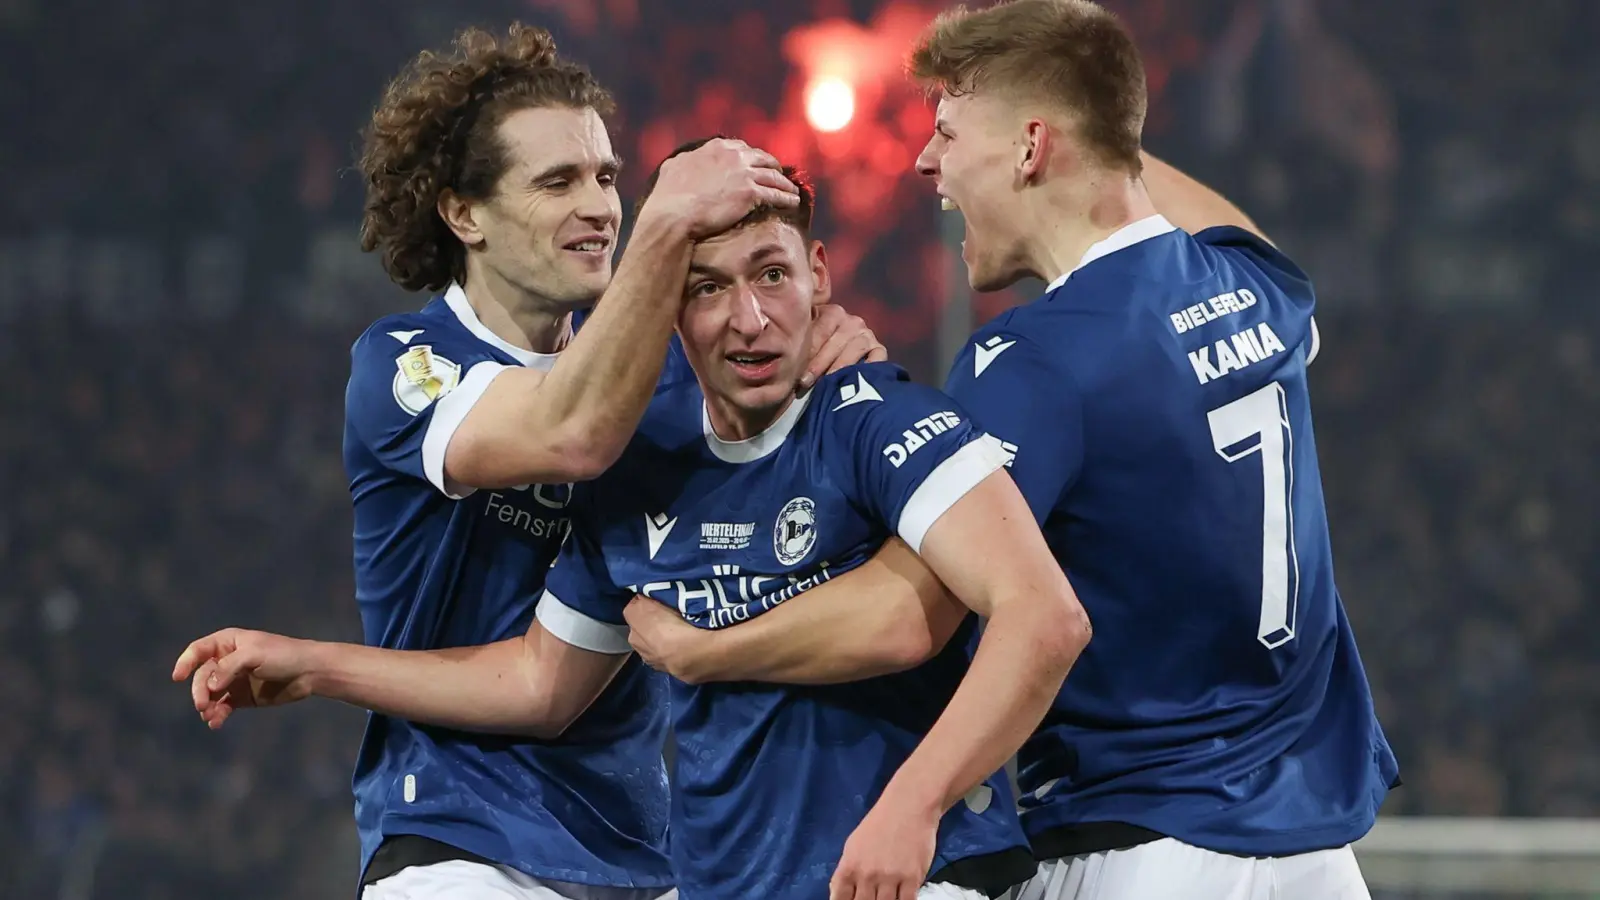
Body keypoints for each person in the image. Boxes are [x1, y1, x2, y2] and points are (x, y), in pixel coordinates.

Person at [621, 2, 1397, 898]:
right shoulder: (1255, 288)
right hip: (1319, 858)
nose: (926, 162)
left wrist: (705, 650)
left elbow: (909, 611)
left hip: (1143, 842)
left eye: (948, 131)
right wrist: (1102, 121)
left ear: (1032, 148)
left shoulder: (1035, 361)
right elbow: (1200, 214)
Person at [175, 142, 1092, 900]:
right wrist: (316, 664)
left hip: (912, 878)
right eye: (705, 289)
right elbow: (540, 684)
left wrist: (911, 807)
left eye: (774, 276)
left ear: (818, 278)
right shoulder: (637, 468)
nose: (750, 319)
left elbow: (1029, 616)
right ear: (667, 313)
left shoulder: (873, 418)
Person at [172, 25, 883, 900]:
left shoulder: (670, 377)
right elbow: (569, 433)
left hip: (637, 848)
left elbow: (552, 684)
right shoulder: (407, 366)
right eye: (558, 182)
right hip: (457, 837)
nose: (601, 207)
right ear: (464, 213)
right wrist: (666, 224)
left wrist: (829, 352)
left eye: (609, 178)